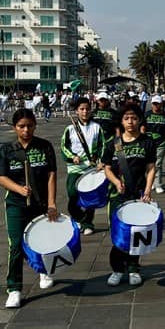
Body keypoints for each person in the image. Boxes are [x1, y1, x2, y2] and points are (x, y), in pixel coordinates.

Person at [0, 109, 58, 308]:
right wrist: (19, 189)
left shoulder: (44, 146)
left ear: (35, 125)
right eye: (21, 126)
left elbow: (51, 175)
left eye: (29, 125)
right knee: (16, 246)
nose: (26, 130)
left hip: (39, 204)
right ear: (14, 128)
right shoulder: (7, 150)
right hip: (16, 204)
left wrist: (51, 203)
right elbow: (1, 177)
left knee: (42, 241)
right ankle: (14, 288)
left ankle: (43, 271)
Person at [103, 104, 156, 287]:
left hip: (139, 195)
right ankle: (117, 269)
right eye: (126, 118)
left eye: (134, 118)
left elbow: (150, 168)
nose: (130, 122)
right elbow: (107, 168)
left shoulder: (147, 142)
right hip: (118, 196)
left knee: (136, 233)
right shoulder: (114, 144)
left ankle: (133, 267)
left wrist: (148, 190)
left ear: (139, 120)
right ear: (121, 121)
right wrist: (116, 182)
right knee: (119, 234)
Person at [60, 97, 105, 235]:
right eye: (82, 109)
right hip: (75, 168)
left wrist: (101, 161)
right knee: (73, 196)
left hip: (91, 168)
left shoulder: (97, 127)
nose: (85, 112)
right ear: (77, 111)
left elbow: (102, 145)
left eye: (87, 109)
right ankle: (80, 219)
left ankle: (87, 224)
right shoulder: (70, 129)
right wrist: (72, 156)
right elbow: (63, 146)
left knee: (90, 198)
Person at [142, 95, 165, 194]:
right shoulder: (147, 115)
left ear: (161, 104)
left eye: (158, 104)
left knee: (157, 164)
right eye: (154, 104)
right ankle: (150, 182)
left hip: (161, 142)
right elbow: (142, 128)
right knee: (148, 163)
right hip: (148, 143)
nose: (156, 106)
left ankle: (158, 184)